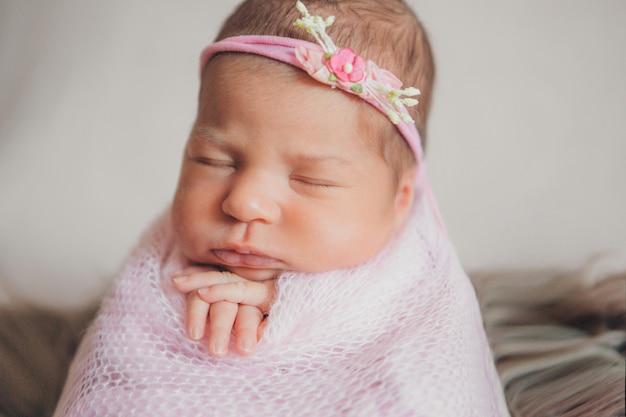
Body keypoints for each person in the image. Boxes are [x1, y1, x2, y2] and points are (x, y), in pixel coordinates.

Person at [54, 1, 510, 416]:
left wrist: (288, 305)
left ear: (400, 201)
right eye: (214, 161)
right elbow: (119, 375)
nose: (244, 202)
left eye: (311, 180)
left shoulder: (413, 283)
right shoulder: (161, 269)